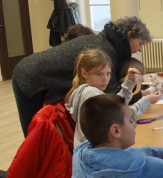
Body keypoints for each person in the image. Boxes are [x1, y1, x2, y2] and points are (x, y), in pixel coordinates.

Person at [12, 16, 151, 137]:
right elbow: (111, 96)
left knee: (42, 136)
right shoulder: (105, 50)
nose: (140, 49)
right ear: (129, 35)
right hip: (28, 77)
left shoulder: (107, 43)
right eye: (140, 43)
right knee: (35, 136)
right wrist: (144, 95)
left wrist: (141, 90)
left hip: (34, 73)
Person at [64, 49, 161, 148]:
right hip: (95, 152)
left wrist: (129, 81)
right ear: (84, 73)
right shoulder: (91, 93)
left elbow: (115, 106)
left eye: (108, 73)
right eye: (99, 74)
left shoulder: (85, 89)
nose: (105, 79)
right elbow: (119, 117)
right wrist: (145, 101)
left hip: (90, 150)